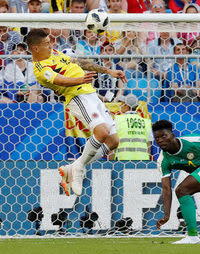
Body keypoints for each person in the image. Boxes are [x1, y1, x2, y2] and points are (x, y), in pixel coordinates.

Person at [26, 29, 127, 196]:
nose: (51, 45)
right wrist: (80, 79)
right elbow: (60, 80)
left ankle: (73, 168)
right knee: (102, 132)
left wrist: (108, 71)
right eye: (46, 44)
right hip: (77, 97)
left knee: (114, 140)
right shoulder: (39, 68)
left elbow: (79, 62)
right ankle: (78, 169)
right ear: (36, 48)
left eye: (50, 42)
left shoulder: (55, 53)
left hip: (91, 94)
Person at [111, 94, 152, 160]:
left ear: (127, 106)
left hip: (122, 160)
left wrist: (110, 162)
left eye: (122, 103)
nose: (120, 105)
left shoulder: (117, 120)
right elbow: (149, 146)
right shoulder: (146, 122)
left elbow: (113, 143)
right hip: (143, 161)